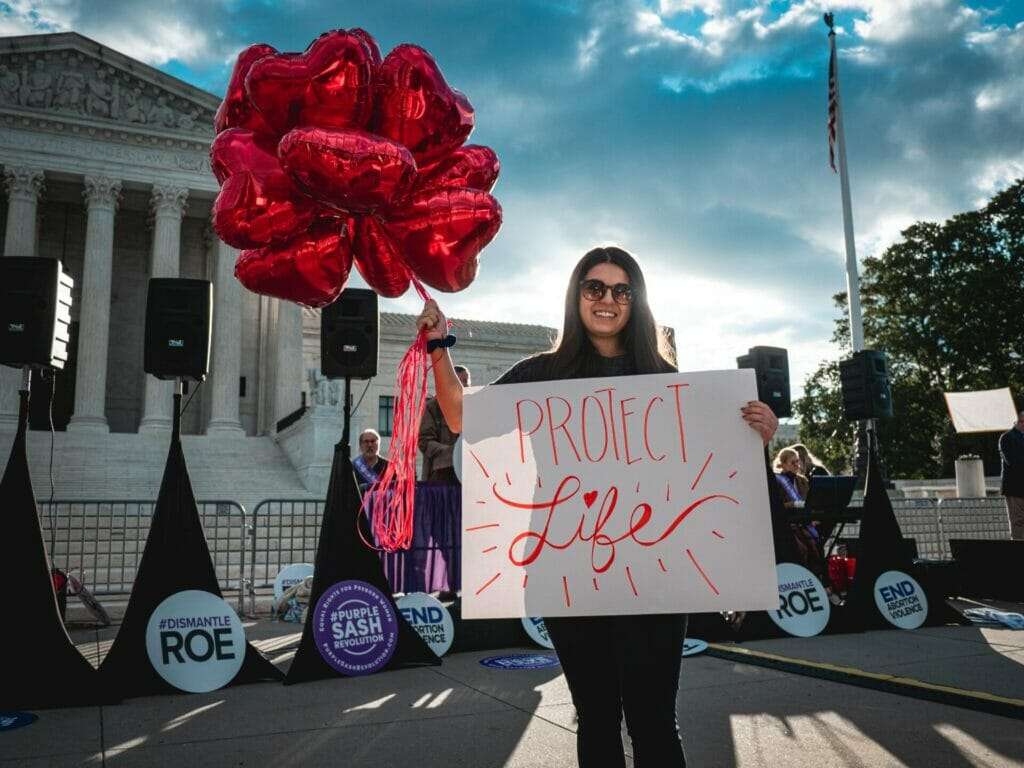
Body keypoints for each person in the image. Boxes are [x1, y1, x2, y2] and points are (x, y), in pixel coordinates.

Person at [416, 246, 779, 767]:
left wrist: (754, 434)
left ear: (636, 301)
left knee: (654, 719)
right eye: (594, 288)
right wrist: (437, 348)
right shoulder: (539, 373)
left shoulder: (665, 377)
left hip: (655, 575)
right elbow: (458, 419)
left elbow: (708, 472)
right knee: (597, 719)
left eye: (621, 290)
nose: (607, 300)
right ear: (576, 296)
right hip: (571, 573)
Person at [419, 365, 470, 483]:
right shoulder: (432, 407)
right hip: (441, 475)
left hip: (469, 475)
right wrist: (454, 452)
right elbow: (425, 442)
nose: (464, 385)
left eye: (466, 381)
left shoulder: (473, 407)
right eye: (459, 381)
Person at [999, 411, 1024, 540]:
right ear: (1017, 421)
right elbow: (1012, 461)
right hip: (1015, 487)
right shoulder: (1007, 437)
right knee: (1018, 522)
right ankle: (1019, 553)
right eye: (1022, 421)